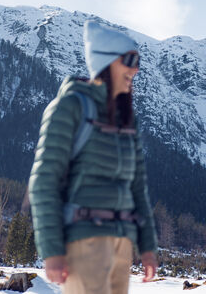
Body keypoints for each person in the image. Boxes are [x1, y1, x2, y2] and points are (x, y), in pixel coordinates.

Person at [28, 21, 158, 294]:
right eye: (129, 60)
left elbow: (138, 189)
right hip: (83, 243)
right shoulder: (71, 106)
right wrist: (52, 250)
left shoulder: (126, 120)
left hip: (121, 246)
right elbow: (44, 181)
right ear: (106, 62)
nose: (136, 69)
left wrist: (147, 248)